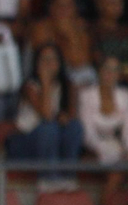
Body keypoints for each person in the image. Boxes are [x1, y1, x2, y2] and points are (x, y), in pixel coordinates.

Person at [7, 44, 84, 191]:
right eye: (44, 60)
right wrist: (46, 82)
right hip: (25, 142)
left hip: (54, 144)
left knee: (74, 127)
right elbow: (47, 115)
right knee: (48, 128)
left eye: (53, 59)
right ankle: (48, 179)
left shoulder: (68, 86)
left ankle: (68, 177)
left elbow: (72, 119)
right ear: (36, 63)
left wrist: (64, 118)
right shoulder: (30, 86)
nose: (49, 64)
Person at [80, 57, 128, 197]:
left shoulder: (125, 95)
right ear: (99, 71)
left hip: (120, 149)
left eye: (115, 70)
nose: (110, 74)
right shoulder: (87, 95)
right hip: (94, 151)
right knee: (118, 170)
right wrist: (106, 150)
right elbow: (87, 134)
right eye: (107, 69)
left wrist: (127, 149)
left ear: (119, 75)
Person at [28, 0, 95, 85]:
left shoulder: (81, 28)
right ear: (51, 8)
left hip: (76, 79)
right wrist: (62, 35)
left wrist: (71, 37)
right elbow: (47, 60)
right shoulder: (40, 27)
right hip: (44, 79)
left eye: (69, 5)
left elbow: (81, 62)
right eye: (60, 5)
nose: (64, 10)